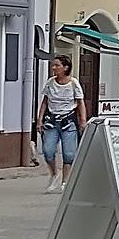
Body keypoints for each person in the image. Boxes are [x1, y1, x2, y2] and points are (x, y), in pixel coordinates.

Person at [35, 55, 86, 194]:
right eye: (53, 65)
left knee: (69, 154)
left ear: (66, 67)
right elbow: (45, 101)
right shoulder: (51, 82)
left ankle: (65, 181)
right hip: (51, 121)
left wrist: (82, 121)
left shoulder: (74, 83)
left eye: (57, 65)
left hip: (68, 122)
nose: (54, 68)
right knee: (48, 151)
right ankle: (54, 174)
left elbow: (80, 103)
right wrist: (39, 120)